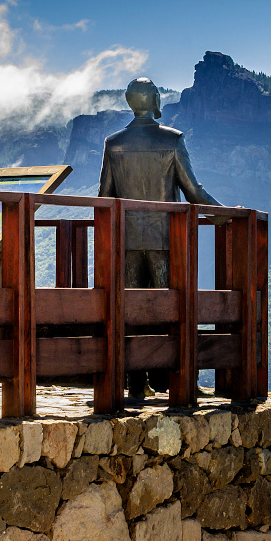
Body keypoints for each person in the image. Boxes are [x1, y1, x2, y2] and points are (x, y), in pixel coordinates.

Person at [98, 77, 222, 395]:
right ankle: (170, 379)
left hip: (126, 241)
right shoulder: (173, 140)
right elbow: (194, 191)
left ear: (128, 101)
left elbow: (104, 197)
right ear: (154, 100)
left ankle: (136, 383)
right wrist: (225, 214)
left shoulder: (114, 144)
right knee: (168, 308)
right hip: (165, 239)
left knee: (133, 310)